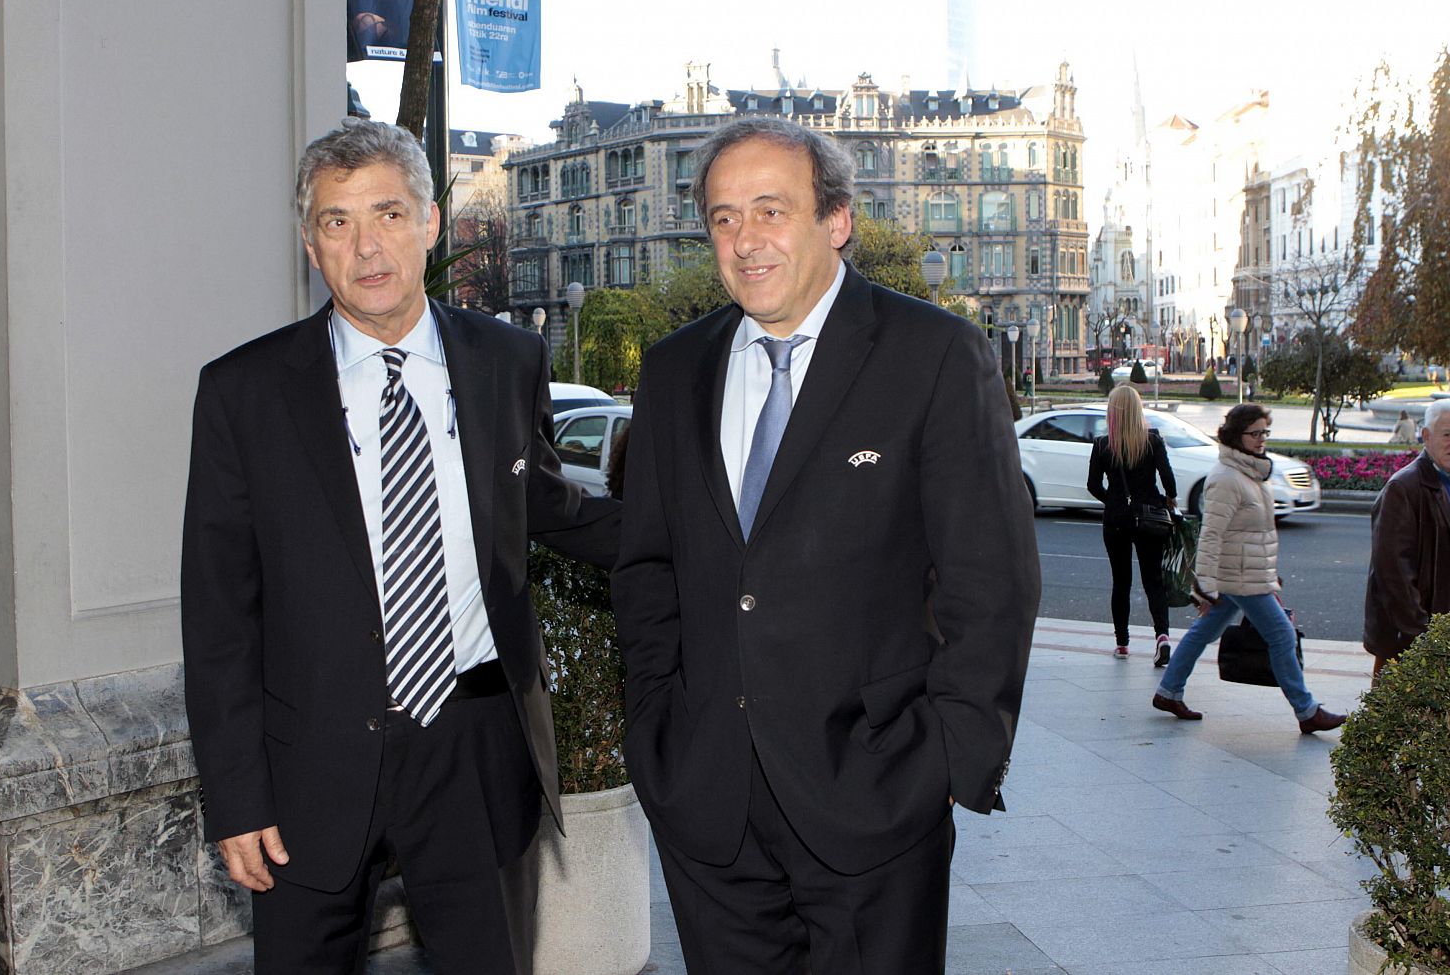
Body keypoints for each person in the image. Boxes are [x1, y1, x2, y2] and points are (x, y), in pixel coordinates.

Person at [180, 119, 620, 974]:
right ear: (311, 245)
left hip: (475, 745)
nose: (366, 245)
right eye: (338, 222)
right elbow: (220, 614)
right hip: (309, 765)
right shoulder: (243, 392)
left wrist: (726, 530)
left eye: (387, 213)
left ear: (429, 222)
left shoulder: (509, 358)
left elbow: (546, 506)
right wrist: (235, 798)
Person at [611, 117, 1041, 975]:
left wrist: (952, 758)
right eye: (724, 217)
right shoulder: (671, 370)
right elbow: (648, 567)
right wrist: (655, 728)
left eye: (771, 210)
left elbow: (989, 579)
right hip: (708, 805)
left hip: (877, 795)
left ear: (835, 220)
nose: (745, 239)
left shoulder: (935, 354)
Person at [1151, 403, 1347, 734]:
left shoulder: (1250, 472)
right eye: (1254, 433)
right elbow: (1211, 534)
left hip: (1246, 573)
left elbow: (1254, 534)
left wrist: (1267, 575)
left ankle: (1168, 691)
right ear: (1235, 436)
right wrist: (1205, 586)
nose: (1261, 439)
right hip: (1238, 577)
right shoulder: (1227, 478)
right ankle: (1306, 711)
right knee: (1282, 635)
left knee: (1205, 632)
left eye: (1264, 432)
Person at [1363, 398, 1450, 677]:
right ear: (1426, 436)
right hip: (1411, 639)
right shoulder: (1404, 488)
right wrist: (1421, 634)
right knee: (1396, 716)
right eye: (1448, 434)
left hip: (1449, 635)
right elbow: (1392, 572)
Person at [1087, 384, 1177, 664]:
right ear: (1138, 410)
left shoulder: (1103, 445)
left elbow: (1092, 485)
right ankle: (1162, 636)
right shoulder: (1152, 441)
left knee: (1121, 581)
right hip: (1149, 518)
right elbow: (1168, 478)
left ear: (1112, 413)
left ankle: (1122, 643)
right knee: (1154, 581)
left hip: (1116, 521)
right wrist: (1166, 499)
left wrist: (1113, 501)